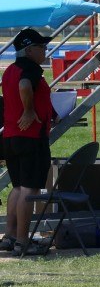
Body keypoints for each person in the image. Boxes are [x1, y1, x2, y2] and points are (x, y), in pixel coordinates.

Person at [1, 28, 54, 255]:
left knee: (17, 187)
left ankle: (10, 236)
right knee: (29, 189)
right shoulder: (30, 68)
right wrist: (30, 111)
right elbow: (24, 86)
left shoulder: (9, 69)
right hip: (30, 137)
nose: (45, 51)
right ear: (29, 50)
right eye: (42, 47)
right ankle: (23, 241)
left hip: (10, 136)